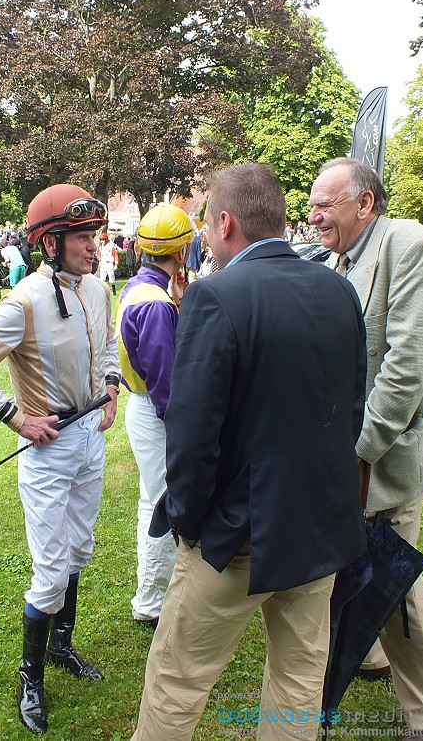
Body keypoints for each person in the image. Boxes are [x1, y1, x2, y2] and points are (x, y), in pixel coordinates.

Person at [131, 163, 368, 741]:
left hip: (237, 535)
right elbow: (353, 408)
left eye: (207, 228)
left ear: (226, 223)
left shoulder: (215, 295)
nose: (205, 241)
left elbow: (192, 434)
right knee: (299, 679)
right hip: (315, 523)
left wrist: (187, 520)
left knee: (178, 678)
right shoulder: (337, 287)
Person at [0, 184, 119, 735]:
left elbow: (109, 345)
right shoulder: (22, 301)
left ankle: (62, 647)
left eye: (95, 236)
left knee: (79, 549)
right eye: (83, 238)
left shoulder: (97, 290)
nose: (93, 247)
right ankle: (31, 677)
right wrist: (16, 418)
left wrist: (111, 385)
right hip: (48, 447)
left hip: (91, 434)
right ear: (50, 242)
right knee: (50, 572)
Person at [311, 157, 423, 741]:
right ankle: (369, 657)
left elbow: (406, 366)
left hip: (387, 453)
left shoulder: (410, 245)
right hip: (351, 448)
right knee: (369, 559)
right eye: (312, 204)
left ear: (364, 203)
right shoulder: (338, 257)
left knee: (392, 573)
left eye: (326, 204)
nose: (314, 215)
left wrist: (360, 450)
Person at [116, 204, 193, 630]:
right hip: (155, 410)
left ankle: (152, 597)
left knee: (154, 501)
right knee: (164, 504)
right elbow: (167, 380)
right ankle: (153, 599)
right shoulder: (157, 304)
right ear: (181, 252)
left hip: (142, 406)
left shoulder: (139, 288)